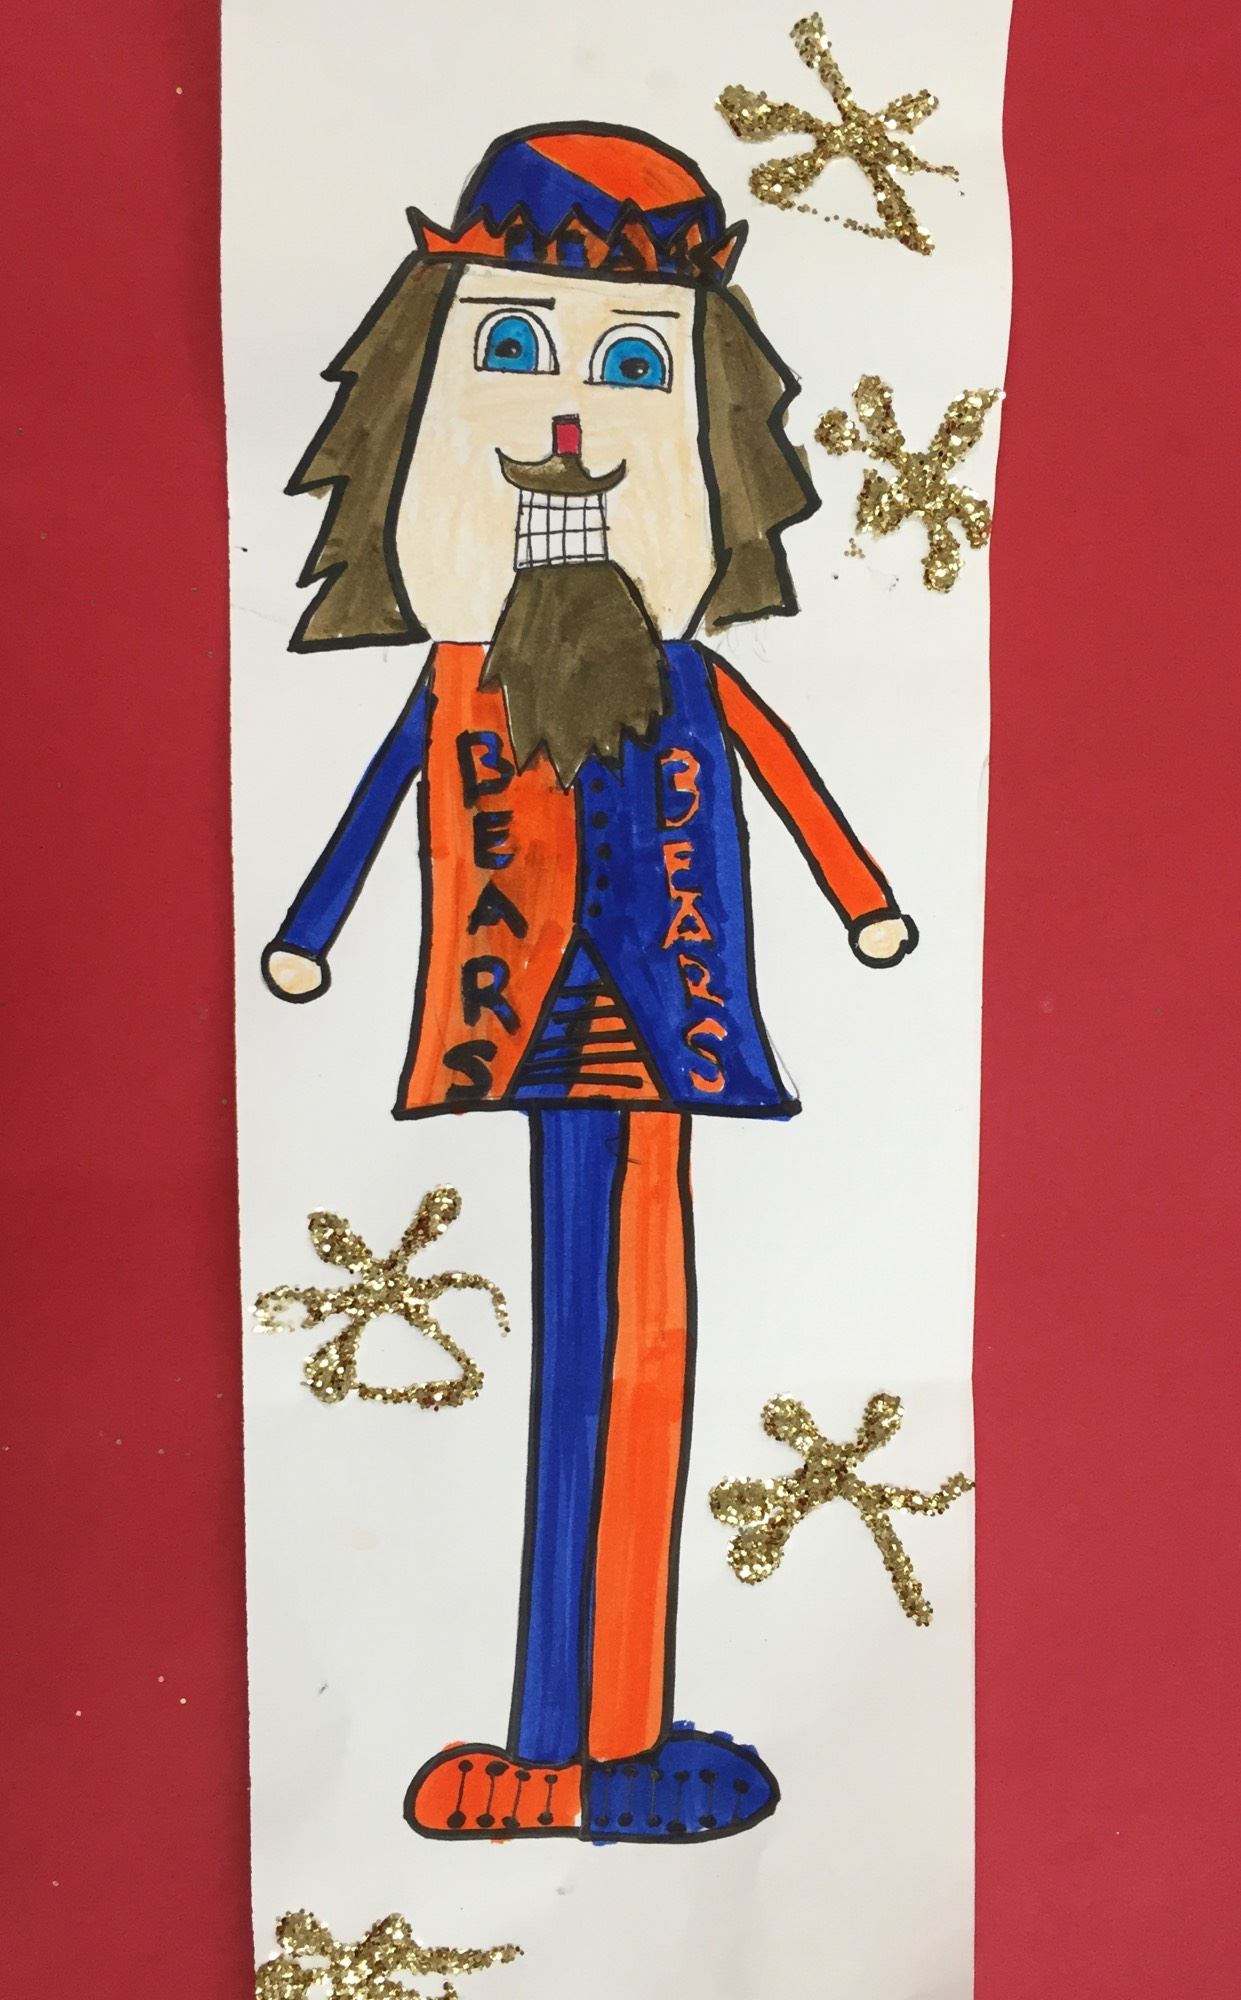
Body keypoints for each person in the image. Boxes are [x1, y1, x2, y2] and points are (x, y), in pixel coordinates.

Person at [264, 123, 916, 1844]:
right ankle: (562, 1741)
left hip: (661, 1027)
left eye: (632, 368)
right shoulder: (460, 684)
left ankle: (600, 1733)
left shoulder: (693, 682)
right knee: (592, 1362)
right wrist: (313, 930)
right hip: (517, 1023)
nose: (565, 426)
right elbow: (373, 815)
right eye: (510, 347)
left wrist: (863, 906)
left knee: (636, 1352)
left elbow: (798, 795)